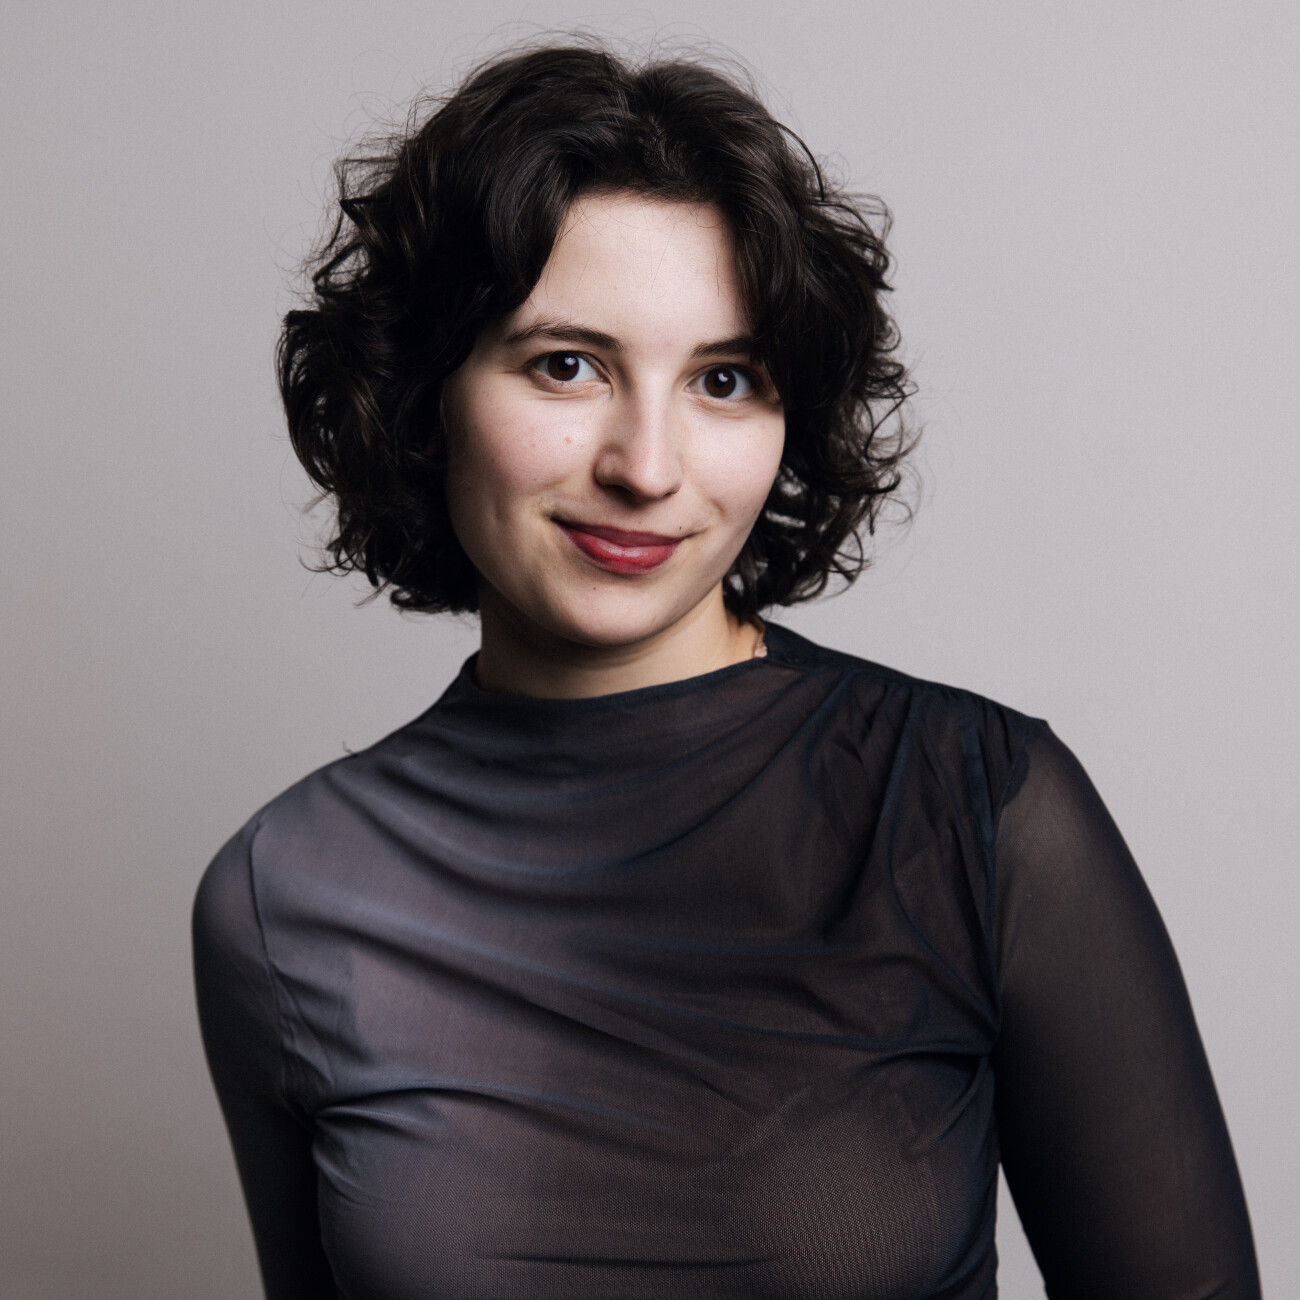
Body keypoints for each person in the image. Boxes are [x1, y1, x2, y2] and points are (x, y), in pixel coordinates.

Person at [192, 42, 1261, 1300]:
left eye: (723, 379)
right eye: (566, 364)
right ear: (426, 392)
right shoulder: (287, 894)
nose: (647, 467)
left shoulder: (975, 805)